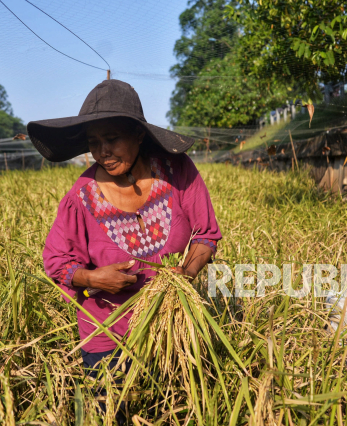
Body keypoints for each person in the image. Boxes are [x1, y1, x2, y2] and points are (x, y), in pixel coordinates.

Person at [28, 79, 221, 374]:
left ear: (139, 135)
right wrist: (93, 279)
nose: (103, 151)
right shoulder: (81, 197)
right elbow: (56, 262)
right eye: (94, 143)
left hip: (171, 324)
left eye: (112, 138)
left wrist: (188, 272)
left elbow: (205, 234)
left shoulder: (177, 171)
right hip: (107, 334)